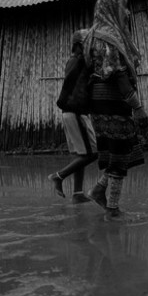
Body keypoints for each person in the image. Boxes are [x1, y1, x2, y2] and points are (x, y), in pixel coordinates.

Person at [82, 0, 147, 221]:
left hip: (98, 102)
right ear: (111, 10)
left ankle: (98, 190)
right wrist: (137, 107)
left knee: (118, 152)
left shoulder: (91, 34)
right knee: (119, 154)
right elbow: (116, 73)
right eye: (123, 7)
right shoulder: (108, 36)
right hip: (112, 101)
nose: (127, 12)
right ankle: (112, 210)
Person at [49, 29, 99, 204]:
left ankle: (77, 193)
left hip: (72, 112)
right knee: (93, 153)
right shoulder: (80, 61)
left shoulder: (75, 61)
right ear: (79, 47)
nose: (92, 48)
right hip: (76, 112)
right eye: (88, 44)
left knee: (82, 153)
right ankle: (59, 176)